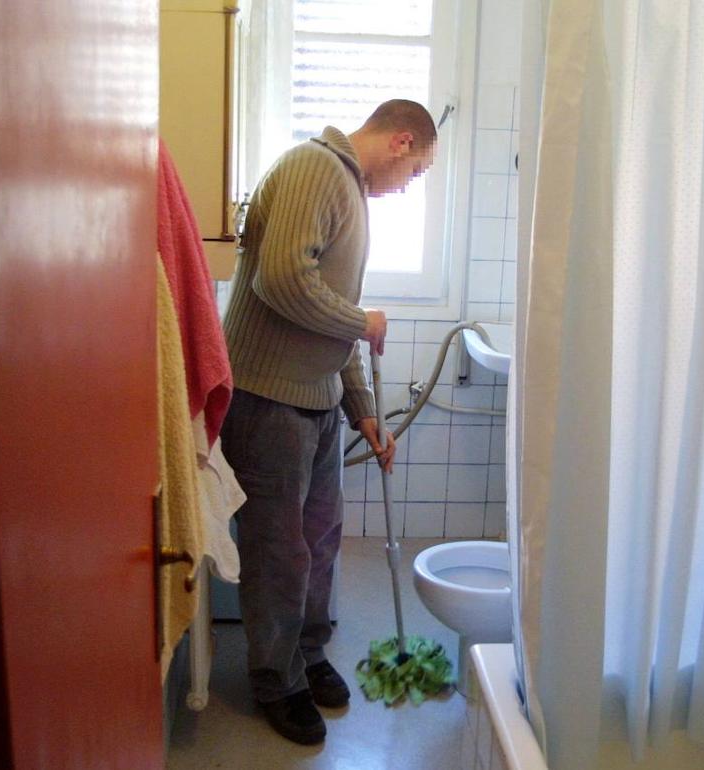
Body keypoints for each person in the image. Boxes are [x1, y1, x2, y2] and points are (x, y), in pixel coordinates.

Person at [219, 99, 437, 745]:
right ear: (400, 141)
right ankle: (275, 681)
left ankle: (306, 656)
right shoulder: (315, 166)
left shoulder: (349, 192)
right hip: (267, 401)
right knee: (279, 553)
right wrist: (362, 321)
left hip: (312, 402)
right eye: (417, 171)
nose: (408, 186)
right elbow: (282, 281)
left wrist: (363, 413)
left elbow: (328, 313)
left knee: (318, 539)